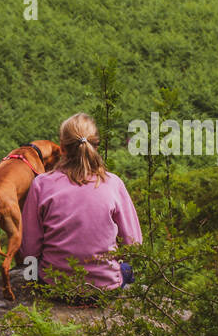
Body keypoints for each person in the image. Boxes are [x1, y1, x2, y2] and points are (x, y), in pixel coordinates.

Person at [20, 113, 142, 303]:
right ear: (96, 145)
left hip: (54, 287)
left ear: (62, 148)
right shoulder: (113, 183)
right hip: (104, 290)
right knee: (127, 269)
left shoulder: (41, 184)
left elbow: (30, 248)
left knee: (28, 271)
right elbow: (134, 243)